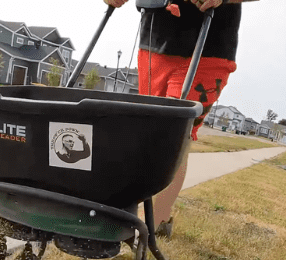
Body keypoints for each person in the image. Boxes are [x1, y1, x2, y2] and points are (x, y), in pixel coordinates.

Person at [103, 0, 257, 236]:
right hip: (155, 41)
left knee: (174, 134)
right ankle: (142, 216)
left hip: (208, 46)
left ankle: (152, 226)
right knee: (150, 132)